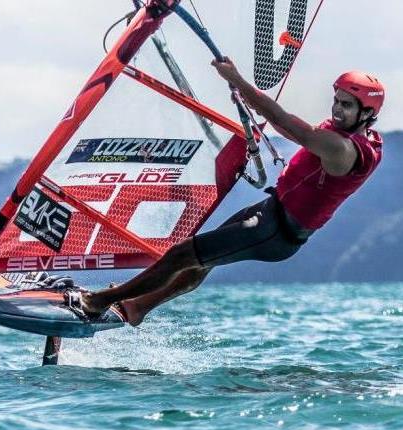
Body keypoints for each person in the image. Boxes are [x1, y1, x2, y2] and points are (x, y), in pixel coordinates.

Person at [68, 58, 385, 326]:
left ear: (367, 113)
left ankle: (99, 300)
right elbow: (286, 126)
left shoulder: (342, 148)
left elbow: (285, 122)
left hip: (275, 233)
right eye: (337, 101)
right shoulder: (354, 132)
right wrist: (246, 99)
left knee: (183, 254)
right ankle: (139, 307)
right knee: (200, 262)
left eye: (347, 105)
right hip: (270, 211)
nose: (337, 110)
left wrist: (236, 80)